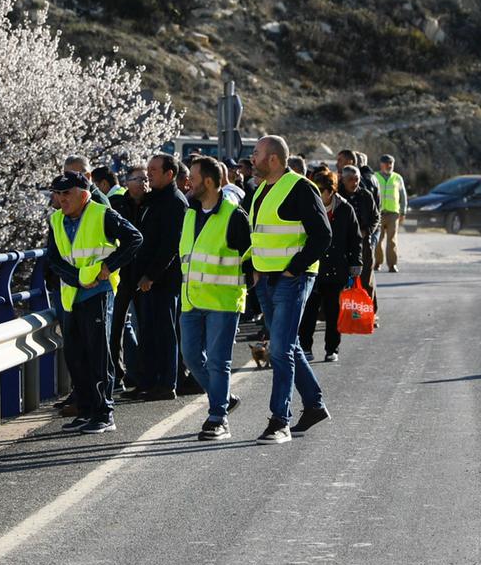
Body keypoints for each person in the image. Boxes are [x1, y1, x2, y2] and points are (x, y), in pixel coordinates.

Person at [247, 135, 332, 446]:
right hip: (267, 280)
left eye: (255, 154)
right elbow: (259, 235)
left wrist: (294, 267)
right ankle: (314, 406)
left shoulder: (300, 187)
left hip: (292, 279)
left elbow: (322, 235)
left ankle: (279, 420)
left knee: (280, 349)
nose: (251, 159)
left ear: (272, 159)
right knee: (288, 345)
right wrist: (255, 268)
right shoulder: (261, 191)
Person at [45, 171, 143, 434]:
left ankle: (104, 411)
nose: (61, 199)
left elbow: (135, 238)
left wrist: (108, 267)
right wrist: (76, 278)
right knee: (75, 356)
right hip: (72, 295)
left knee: (98, 354)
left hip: (98, 294)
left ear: (84, 194)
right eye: (58, 193)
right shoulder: (56, 220)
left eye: (67, 193)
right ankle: (86, 409)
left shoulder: (102, 214)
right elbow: (52, 259)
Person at [179, 156, 250, 440]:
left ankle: (218, 417)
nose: (188, 184)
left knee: (218, 362)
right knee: (192, 358)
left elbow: (250, 258)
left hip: (222, 301)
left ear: (208, 182)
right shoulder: (190, 213)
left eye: (193, 179)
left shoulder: (234, 216)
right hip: (191, 301)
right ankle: (224, 398)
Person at [127, 153, 187, 400]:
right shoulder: (152, 199)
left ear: (169, 174)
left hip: (163, 279)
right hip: (144, 278)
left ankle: (166, 383)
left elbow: (170, 245)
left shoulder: (175, 201)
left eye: (153, 170)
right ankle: (148, 381)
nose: (148, 174)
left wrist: (151, 275)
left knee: (165, 332)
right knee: (148, 331)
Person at [299, 169, 364, 363]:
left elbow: (355, 239)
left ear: (331, 191)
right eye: (315, 189)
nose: (317, 193)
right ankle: (306, 348)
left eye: (321, 189)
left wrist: (356, 263)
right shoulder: (309, 208)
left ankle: (332, 348)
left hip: (337, 269)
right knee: (308, 312)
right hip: (312, 267)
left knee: (333, 312)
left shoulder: (345, 209)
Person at [106, 168, 145, 394]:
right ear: (127, 182)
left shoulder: (151, 203)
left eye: (145, 179)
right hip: (121, 275)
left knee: (141, 326)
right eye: (138, 179)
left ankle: (140, 375)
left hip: (141, 275)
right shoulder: (117, 204)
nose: (143, 183)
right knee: (117, 326)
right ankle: (118, 375)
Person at [338, 165, 380, 320]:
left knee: (366, 279)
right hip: (342, 244)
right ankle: (344, 314)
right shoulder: (338, 196)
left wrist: (366, 231)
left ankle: (370, 314)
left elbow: (376, 217)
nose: (354, 183)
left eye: (356, 179)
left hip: (363, 243)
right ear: (343, 180)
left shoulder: (366, 195)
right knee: (341, 280)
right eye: (350, 179)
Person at [372, 154, 407, 273]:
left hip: (393, 213)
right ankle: (378, 262)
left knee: (392, 240)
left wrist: (403, 211)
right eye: (386, 163)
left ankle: (392, 265)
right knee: (378, 239)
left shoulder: (397, 178)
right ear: (381, 164)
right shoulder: (375, 177)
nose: (389, 166)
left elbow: (403, 196)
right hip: (379, 213)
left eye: (391, 163)